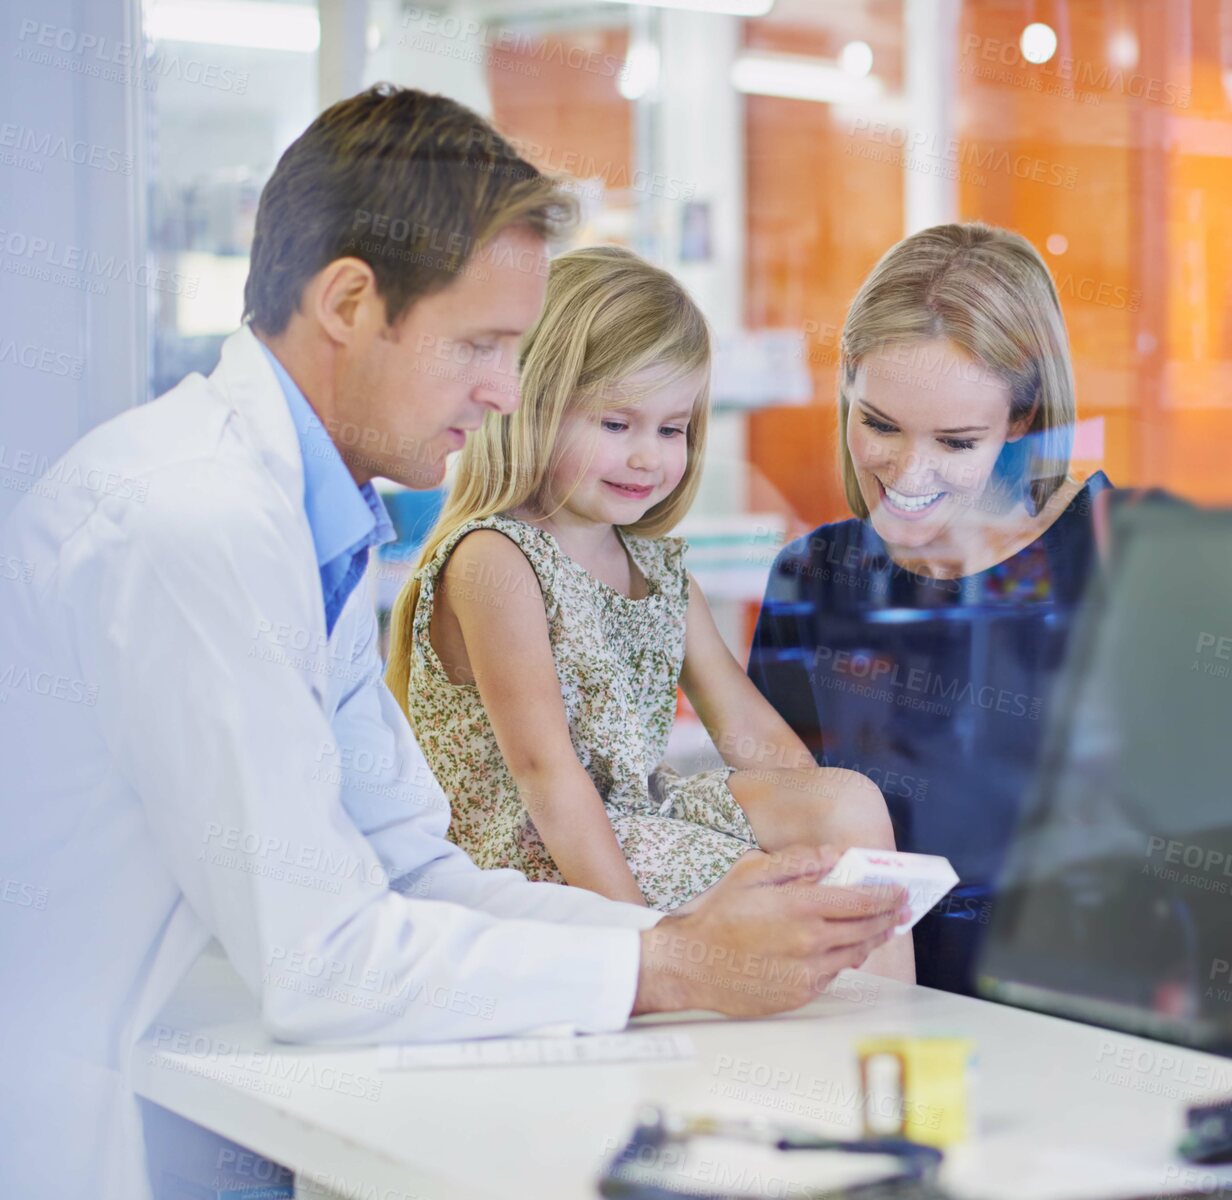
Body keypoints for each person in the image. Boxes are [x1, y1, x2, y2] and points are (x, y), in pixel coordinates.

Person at [0, 85, 904, 1198]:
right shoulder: (193, 523)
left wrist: (676, 939)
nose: (505, 390)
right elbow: (320, 958)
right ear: (347, 302)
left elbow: (415, 870)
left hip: (200, 1082)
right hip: (89, 1119)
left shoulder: (304, 525)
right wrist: (669, 960)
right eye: (480, 343)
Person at [385, 245, 913, 980]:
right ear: (533, 406)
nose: (648, 458)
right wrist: (646, 944)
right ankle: (841, 1026)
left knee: (846, 802)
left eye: (671, 430)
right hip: (534, 851)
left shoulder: (659, 571)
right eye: (615, 424)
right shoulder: (493, 558)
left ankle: (893, 1032)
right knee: (747, 893)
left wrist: (808, 837)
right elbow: (545, 774)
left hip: (636, 816)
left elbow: (755, 737)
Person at [747, 223, 1114, 995]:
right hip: (873, 1020)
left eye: (954, 441)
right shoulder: (815, 577)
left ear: (1023, 419)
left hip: (1088, 1024)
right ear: (847, 381)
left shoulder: (1123, 556)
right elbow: (780, 833)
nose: (908, 472)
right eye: (878, 424)